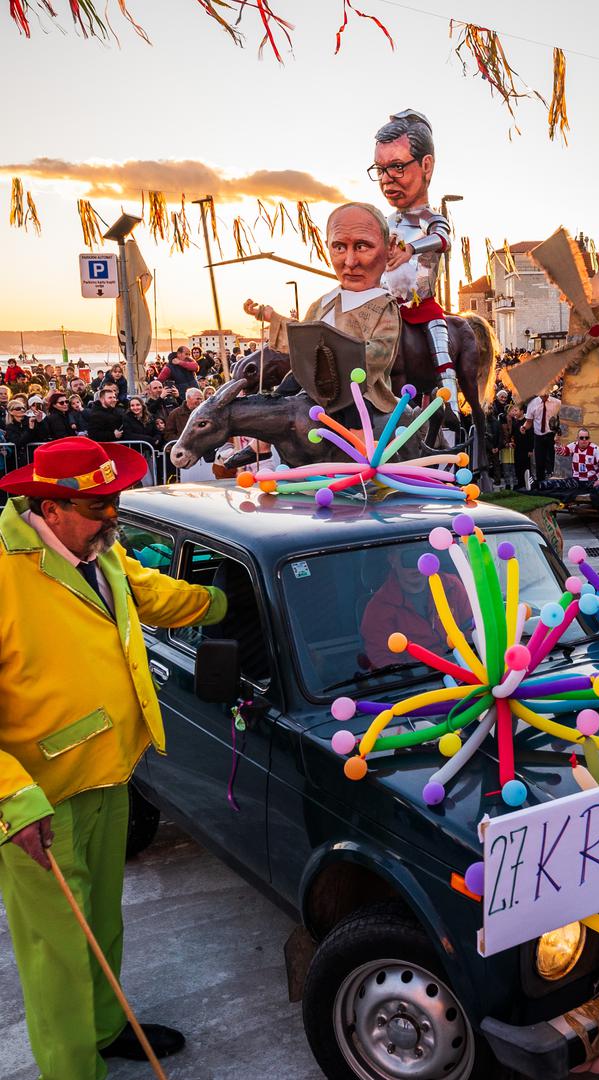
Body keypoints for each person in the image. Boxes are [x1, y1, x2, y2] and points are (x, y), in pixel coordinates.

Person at [0, 437, 227, 1080]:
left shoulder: (98, 548)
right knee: (58, 950)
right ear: (49, 505)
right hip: (40, 802)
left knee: (102, 920)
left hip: (109, 773)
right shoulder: (4, 571)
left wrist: (220, 602)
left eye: (116, 500)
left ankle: (104, 1027)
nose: (114, 515)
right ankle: (73, 1069)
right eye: (100, 505)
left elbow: (149, 593)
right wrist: (15, 803)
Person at [244, 202, 400, 422]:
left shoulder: (383, 305)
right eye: (339, 247)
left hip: (355, 389)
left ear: (389, 247)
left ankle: (361, 447)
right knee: (276, 401)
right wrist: (270, 316)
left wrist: (331, 357)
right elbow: (301, 336)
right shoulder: (322, 303)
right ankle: (259, 445)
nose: (350, 261)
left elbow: (379, 354)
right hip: (313, 382)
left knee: (355, 407)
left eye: (362, 246)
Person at [370, 109, 458, 416]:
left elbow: (443, 240)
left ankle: (453, 407)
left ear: (426, 166)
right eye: (380, 170)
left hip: (419, 306)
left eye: (396, 167)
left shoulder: (432, 219)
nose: (386, 180)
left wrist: (411, 248)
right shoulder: (381, 221)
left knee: (441, 350)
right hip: (382, 310)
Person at [361, 548, 471, 668]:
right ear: (392, 559)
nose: (416, 566)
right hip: (416, 681)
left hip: (465, 668)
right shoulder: (378, 609)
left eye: (420, 555)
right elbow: (384, 663)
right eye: (408, 558)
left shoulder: (452, 585)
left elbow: (475, 630)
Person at [525, 427, 599, 496]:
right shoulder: (574, 446)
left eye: (586, 438)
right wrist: (557, 443)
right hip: (576, 480)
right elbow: (562, 452)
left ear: (589, 438)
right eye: (582, 438)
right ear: (577, 438)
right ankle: (534, 484)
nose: (584, 440)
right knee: (558, 483)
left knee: (597, 486)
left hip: (591, 480)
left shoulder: (595, 449)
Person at [521, 391, 561, 483]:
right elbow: (529, 421)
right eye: (542, 394)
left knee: (552, 460)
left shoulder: (557, 403)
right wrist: (524, 427)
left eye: (546, 393)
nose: (544, 395)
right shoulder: (532, 403)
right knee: (539, 461)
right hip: (538, 436)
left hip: (551, 435)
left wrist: (558, 433)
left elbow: (563, 419)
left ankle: (553, 482)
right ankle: (540, 484)